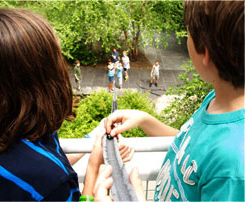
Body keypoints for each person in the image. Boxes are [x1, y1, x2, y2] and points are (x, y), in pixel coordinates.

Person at [99, 1, 245, 201]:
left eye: (188, 34)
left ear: (206, 53)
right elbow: (193, 146)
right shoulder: (218, 99)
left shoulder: (234, 169)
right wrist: (144, 120)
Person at [0, 8, 133, 201]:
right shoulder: (52, 181)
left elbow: (48, 159)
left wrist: (94, 136)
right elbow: (48, 175)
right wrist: (94, 168)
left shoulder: (15, 130)